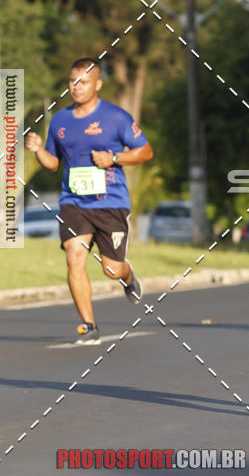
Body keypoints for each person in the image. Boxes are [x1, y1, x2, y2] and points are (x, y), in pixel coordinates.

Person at [25, 58, 153, 344]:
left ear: (98, 84)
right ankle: (89, 325)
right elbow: (52, 163)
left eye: (82, 81)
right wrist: (36, 150)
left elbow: (145, 152)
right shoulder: (60, 120)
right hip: (74, 202)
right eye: (72, 81)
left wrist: (115, 158)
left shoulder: (116, 117)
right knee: (74, 255)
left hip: (110, 202)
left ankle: (128, 275)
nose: (76, 87)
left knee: (111, 269)